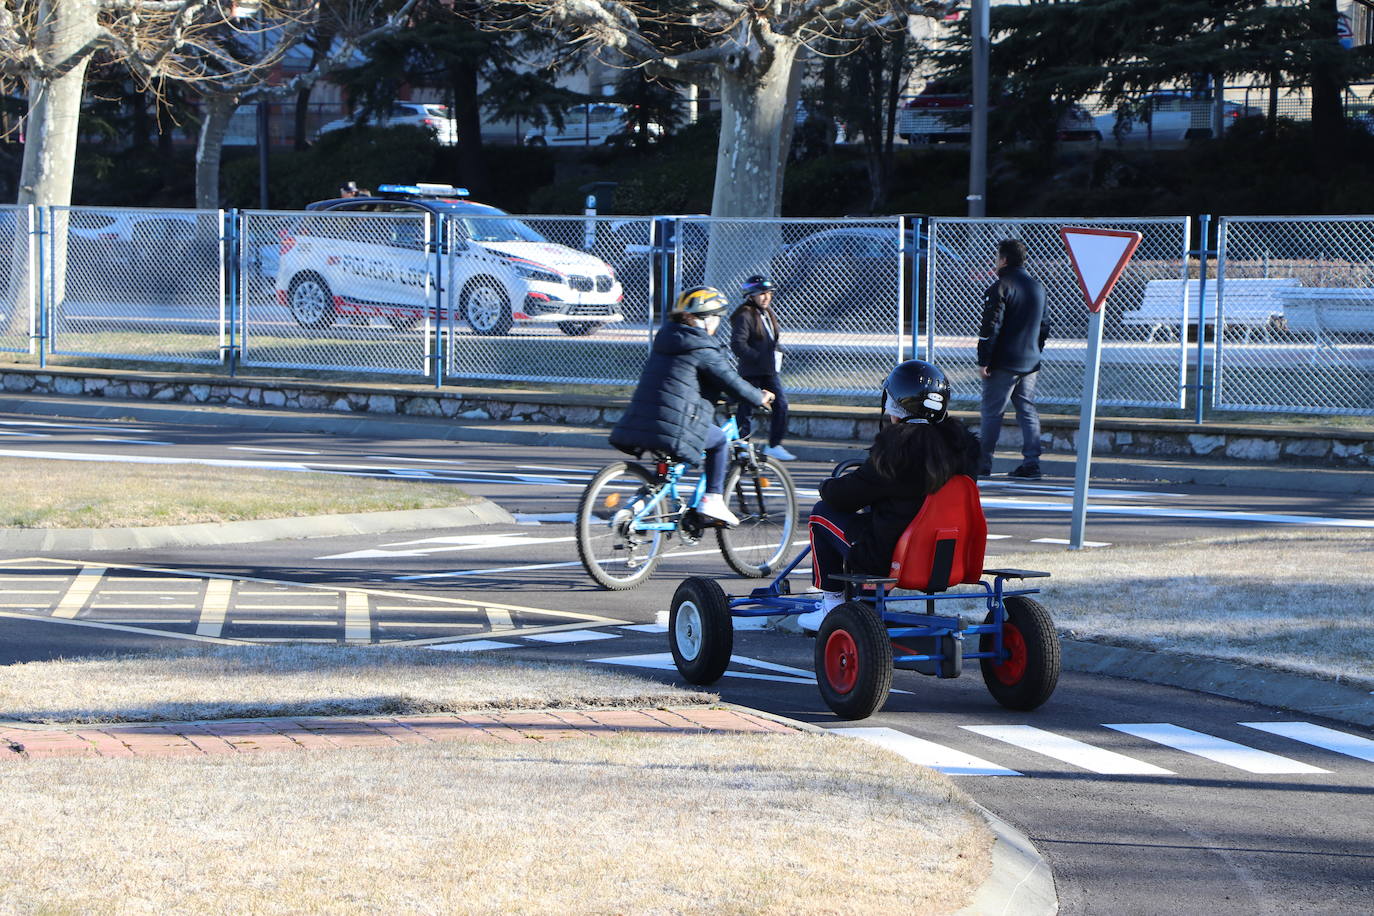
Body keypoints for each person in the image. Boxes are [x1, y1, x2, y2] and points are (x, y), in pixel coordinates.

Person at [796, 359, 979, 632]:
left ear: (895, 406)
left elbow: (846, 498)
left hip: (890, 556)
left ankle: (832, 603)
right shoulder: (964, 451)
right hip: (947, 555)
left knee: (822, 513)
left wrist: (828, 485)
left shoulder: (895, 451)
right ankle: (864, 605)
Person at [609, 286, 775, 527]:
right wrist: (758, 397)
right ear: (706, 319)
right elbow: (730, 380)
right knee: (718, 441)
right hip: (674, 423)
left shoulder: (668, 339)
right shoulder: (701, 345)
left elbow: (681, 381)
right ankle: (713, 500)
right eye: (717, 317)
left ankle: (634, 510)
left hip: (640, 419)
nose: (718, 324)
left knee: (663, 479)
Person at [977, 238, 1049, 480]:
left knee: (992, 413)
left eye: (997, 257)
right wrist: (1035, 350)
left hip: (1003, 363)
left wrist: (984, 359)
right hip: (1030, 362)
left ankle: (982, 463)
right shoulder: (1037, 287)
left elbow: (991, 327)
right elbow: (1045, 326)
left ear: (1004, 259)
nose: (995, 262)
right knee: (1027, 411)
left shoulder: (1001, 287)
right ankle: (1032, 463)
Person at [730, 275, 794, 461]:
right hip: (751, 371)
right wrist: (757, 357)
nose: (766, 297)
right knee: (746, 408)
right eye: (761, 294)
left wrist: (778, 352)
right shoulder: (744, 315)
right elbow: (738, 344)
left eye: (768, 293)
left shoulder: (766, 313)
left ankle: (774, 445)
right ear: (750, 296)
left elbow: (771, 338)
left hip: (768, 371)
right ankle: (742, 443)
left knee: (781, 404)